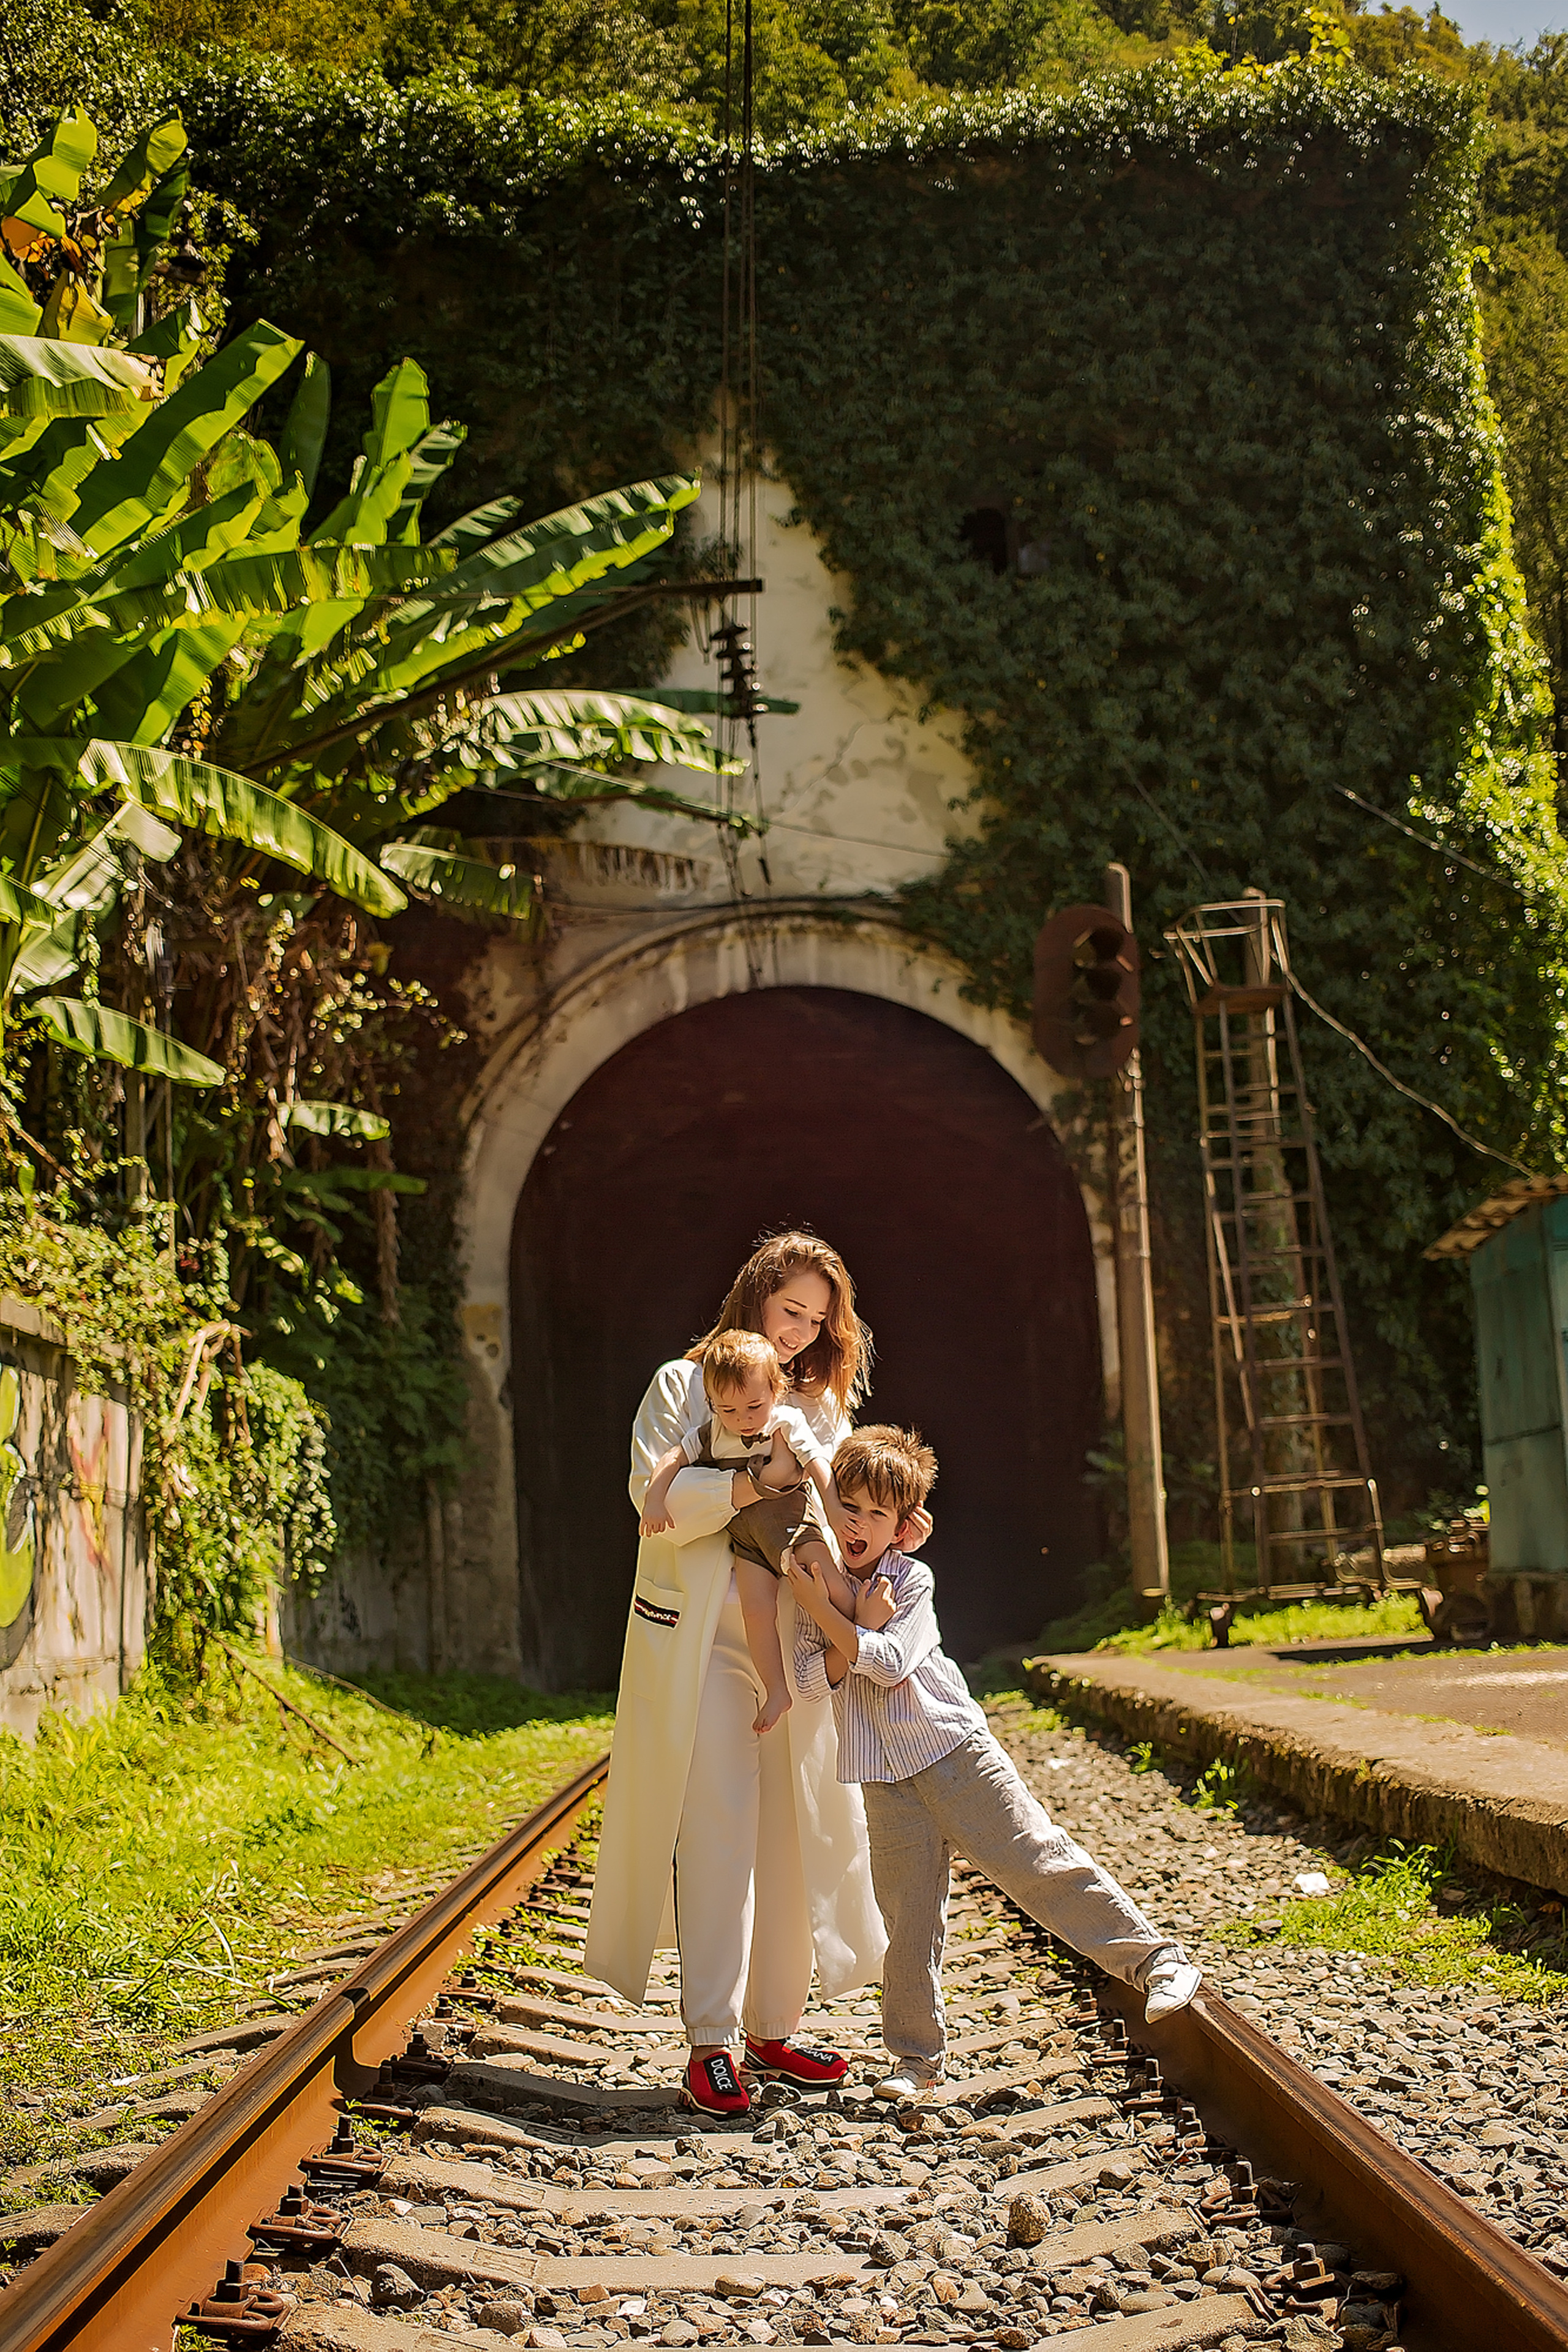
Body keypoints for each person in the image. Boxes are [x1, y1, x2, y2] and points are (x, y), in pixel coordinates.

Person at [788, 1424, 1203, 2103]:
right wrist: (837, 1614)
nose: (858, 1524)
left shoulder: (909, 1579)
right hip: (882, 1776)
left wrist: (837, 1622)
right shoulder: (819, 1583)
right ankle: (915, 2061)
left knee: (1037, 1862)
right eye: (848, 1507)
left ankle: (1157, 1960)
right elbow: (807, 1682)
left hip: (952, 1753)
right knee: (908, 1921)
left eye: (876, 1514)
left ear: (902, 1527)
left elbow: (889, 1666)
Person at [584, 1232, 897, 2119]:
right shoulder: (683, 1386)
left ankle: (774, 2026)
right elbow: (659, 1502)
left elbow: (842, 1509)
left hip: (795, 1643)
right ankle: (712, 2040)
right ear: (754, 1296)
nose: (799, 1333)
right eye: (789, 1309)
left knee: (795, 1834)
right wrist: (755, 1491)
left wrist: (884, 1546)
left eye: (817, 1319)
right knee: (719, 1826)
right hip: (703, 1643)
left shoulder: (819, 1407)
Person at [639, 1328, 858, 1736]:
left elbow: (816, 1464)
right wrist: (655, 1500)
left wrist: (833, 1508)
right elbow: (671, 1458)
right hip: (748, 1542)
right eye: (728, 1410)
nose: (743, 1419)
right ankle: (777, 1690)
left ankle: (863, 1638)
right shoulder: (714, 1433)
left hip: (794, 1525)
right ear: (713, 1405)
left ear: (776, 1390)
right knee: (757, 1611)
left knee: (830, 1585)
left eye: (753, 1406)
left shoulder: (785, 1420)